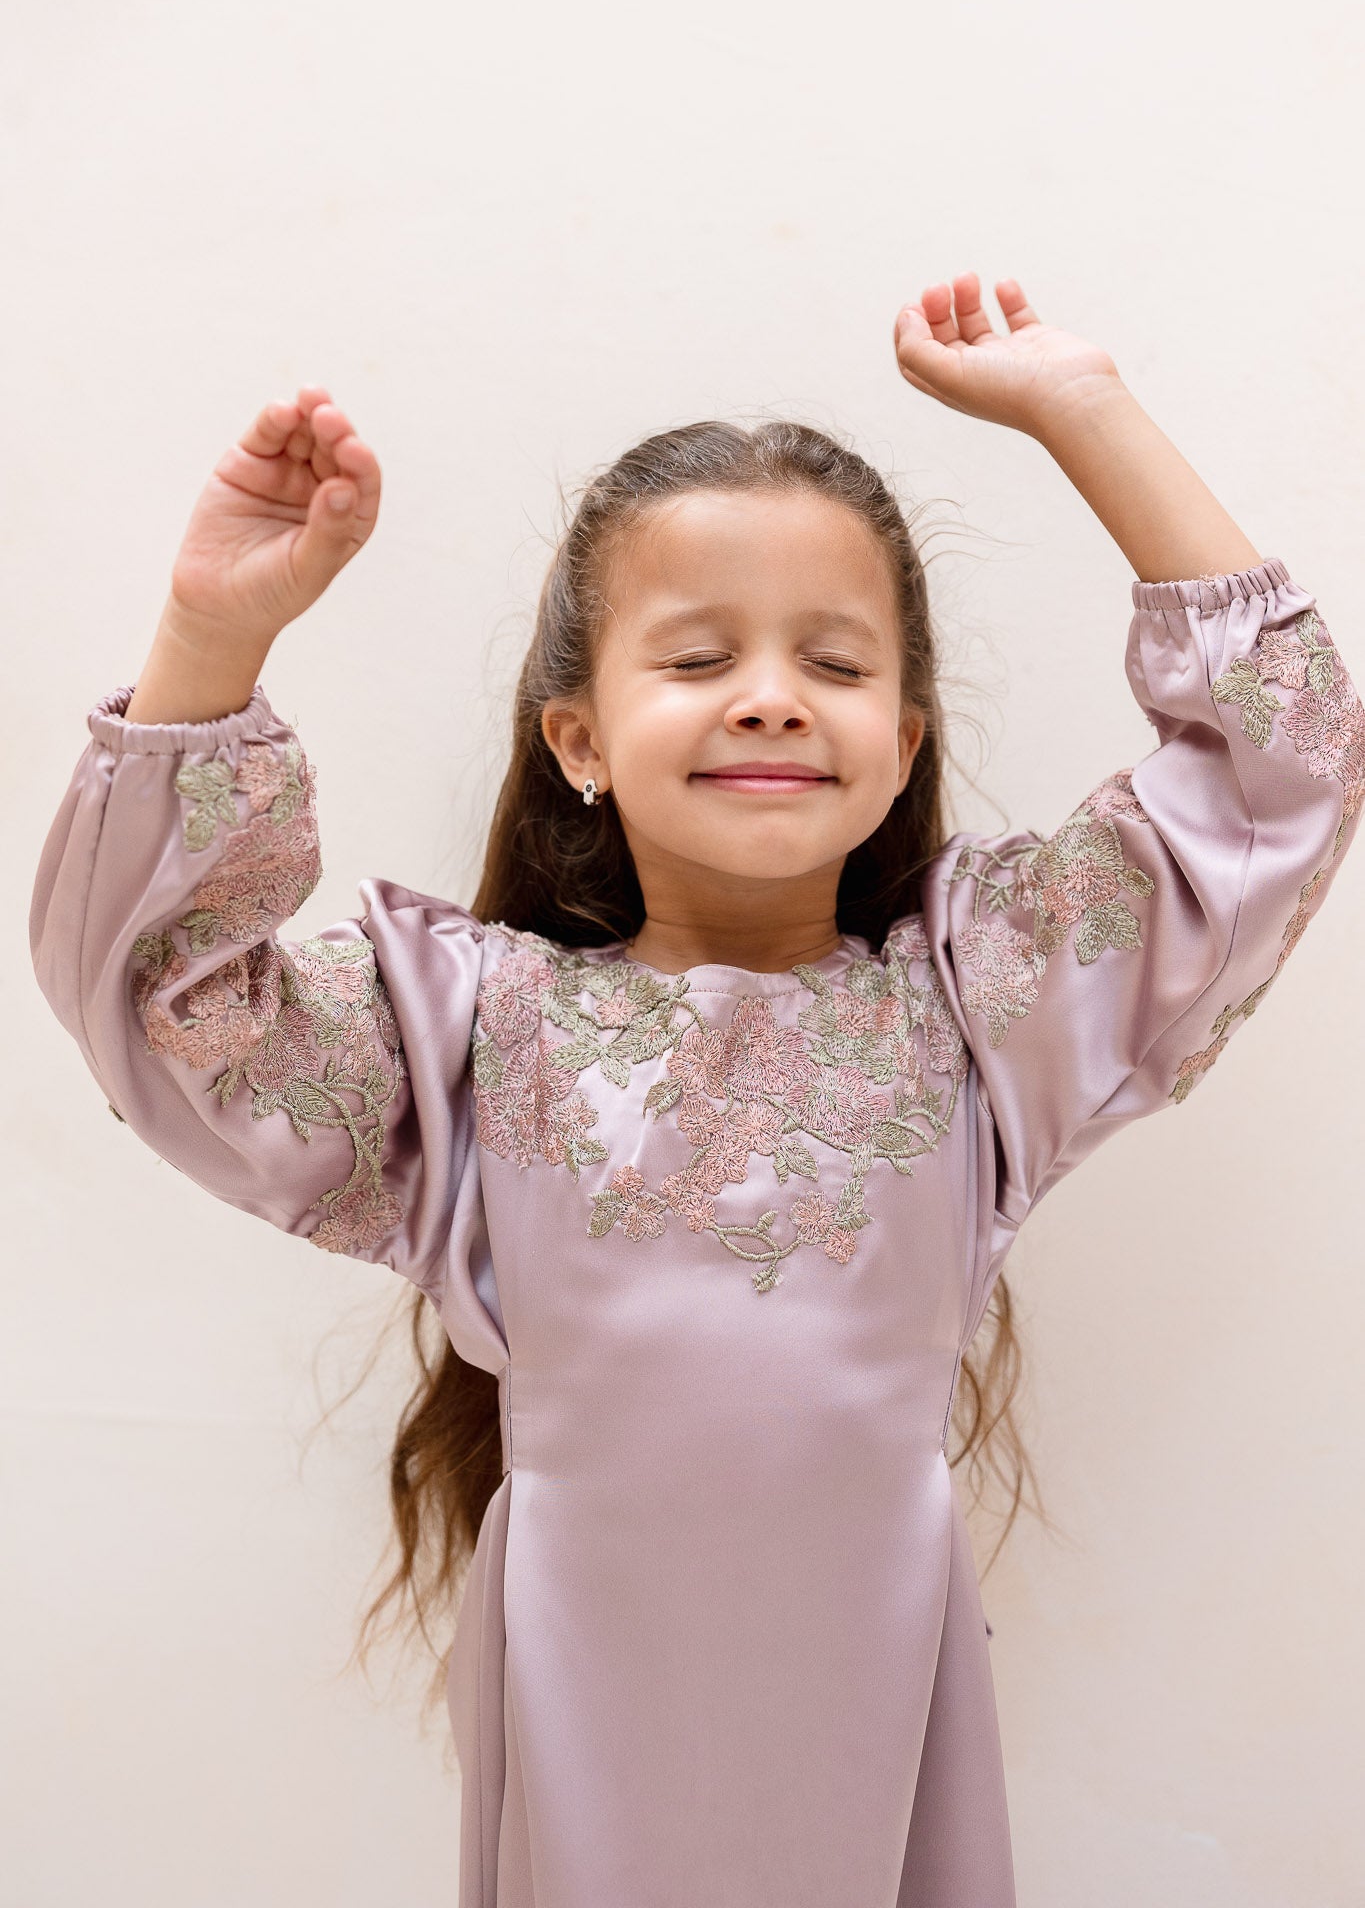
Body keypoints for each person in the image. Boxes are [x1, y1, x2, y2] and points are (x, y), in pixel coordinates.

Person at [29, 273, 1363, 1906]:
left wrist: (1086, 410)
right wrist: (215, 632)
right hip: (593, 1686)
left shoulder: (980, 1010)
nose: (769, 695)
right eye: (698, 656)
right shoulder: (464, 1036)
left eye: (832, 661)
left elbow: (1273, 772)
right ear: (579, 738)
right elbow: (163, 996)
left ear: (896, 742)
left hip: (875, 1682)